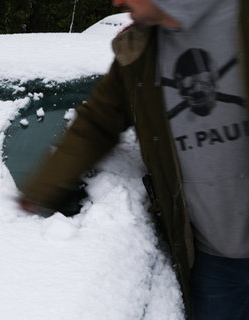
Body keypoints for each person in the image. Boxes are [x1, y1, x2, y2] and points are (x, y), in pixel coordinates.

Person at [17, 0, 249, 319]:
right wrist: (42, 187)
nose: (117, 2)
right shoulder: (139, 53)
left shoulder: (237, 17)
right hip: (213, 260)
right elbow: (98, 121)